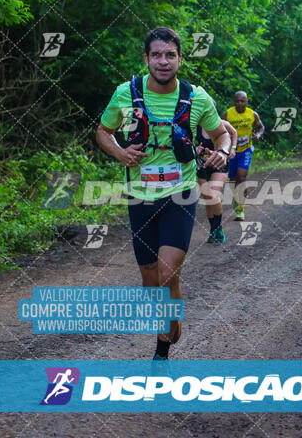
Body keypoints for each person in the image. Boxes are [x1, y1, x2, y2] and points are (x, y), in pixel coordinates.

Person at [96, 27, 230, 360]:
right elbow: (103, 131)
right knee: (150, 280)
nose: (163, 61)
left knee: (169, 272)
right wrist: (120, 154)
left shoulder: (197, 97)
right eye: (156, 54)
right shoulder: (125, 94)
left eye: (170, 55)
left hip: (180, 195)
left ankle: (161, 353)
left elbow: (221, 135)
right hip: (140, 196)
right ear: (146, 59)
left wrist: (222, 153)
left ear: (180, 59)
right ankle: (168, 327)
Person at [221, 91, 265, 221]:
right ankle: (237, 200)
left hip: (246, 150)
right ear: (234, 102)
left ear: (247, 101)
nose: (239, 103)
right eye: (237, 101)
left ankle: (241, 208)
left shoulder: (252, 114)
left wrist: (258, 135)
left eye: (242, 101)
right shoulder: (227, 114)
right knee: (233, 180)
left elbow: (260, 127)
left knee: (241, 177)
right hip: (231, 151)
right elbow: (219, 130)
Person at [196, 115, 237, 243]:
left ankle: (217, 229)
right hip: (202, 165)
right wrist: (195, 150)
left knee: (213, 195)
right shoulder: (195, 126)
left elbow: (234, 132)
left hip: (220, 165)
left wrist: (232, 149)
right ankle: (213, 231)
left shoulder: (222, 123)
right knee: (207, 197)